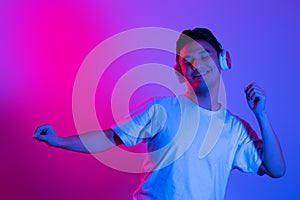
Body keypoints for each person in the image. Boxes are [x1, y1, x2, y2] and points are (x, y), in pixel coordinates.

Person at [33, 28, 286, 199]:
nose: (196, 66)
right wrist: (59, 140)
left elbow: (275, 169)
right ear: (180, 70)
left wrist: (261, 115)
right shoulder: (160, 109)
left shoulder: (235, 129)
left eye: (204, 56)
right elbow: (110, 138)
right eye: (188, 61)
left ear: (222, 60)